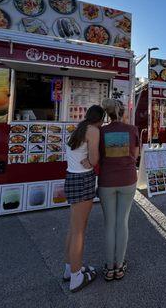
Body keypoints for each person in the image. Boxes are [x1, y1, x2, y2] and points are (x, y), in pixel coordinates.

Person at [63, 105, 105, 292]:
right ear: (100, 119)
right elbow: (94, 159)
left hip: (71, 177)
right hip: (83, 179)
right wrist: (91, 161)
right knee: (80, 230)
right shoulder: (93, 130)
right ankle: (76, 278)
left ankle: (70, 268)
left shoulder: (79, 128)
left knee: (74, 228)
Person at [98, 98, 139, 281]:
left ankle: (108, 267)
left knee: (109, 223)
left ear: (108, 113)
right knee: (122, 222)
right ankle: (120, 266)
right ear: (122, 113)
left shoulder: (101, 131)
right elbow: (135, 155)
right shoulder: (132, 130)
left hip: (107, 181)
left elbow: (97, 156)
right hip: (128, 179)